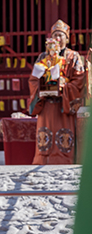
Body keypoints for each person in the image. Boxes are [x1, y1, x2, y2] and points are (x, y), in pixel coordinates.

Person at [29, 20, 88, 164]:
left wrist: (63, 86)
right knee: (45, 140)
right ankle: (42, 162)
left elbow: (79, 81)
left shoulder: (73, 57)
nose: (57, 38)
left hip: (64, 106)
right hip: (46, 107)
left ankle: (64, 162)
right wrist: (41, 87)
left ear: (67, 39)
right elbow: (33, 79)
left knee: (64, 140)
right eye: (55, 35)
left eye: (61, 35)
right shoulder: (43, 57)